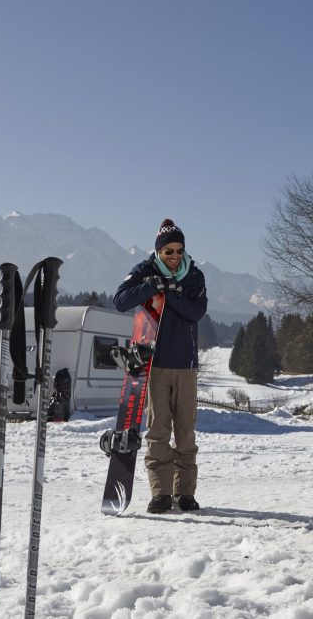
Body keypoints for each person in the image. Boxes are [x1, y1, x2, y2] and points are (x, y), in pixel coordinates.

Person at [114, 218, 208, 514]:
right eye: (169, 251)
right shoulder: (145, 271)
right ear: (158, 251)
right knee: (157, 432)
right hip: (154, 366)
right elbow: (120, 300)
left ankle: (185, 494)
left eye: (179, 251)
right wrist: (152, 285)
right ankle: (160, 494)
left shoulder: (194, 275)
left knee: (185, 433)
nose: (175, 257)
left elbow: (196, 311)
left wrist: (171, 294)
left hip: (186, 367)